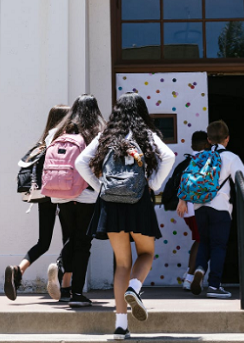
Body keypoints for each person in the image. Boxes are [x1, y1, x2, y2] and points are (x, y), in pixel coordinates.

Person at [76, 93, 175, 340]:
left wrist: (100, 186)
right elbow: (169, 157)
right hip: (138, 201)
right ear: (141, 111)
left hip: (111, 203)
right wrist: (152, 183)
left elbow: (81, 162)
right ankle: (135, 288)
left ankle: (121, 326)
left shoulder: (105, 136)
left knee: (122, 263)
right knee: (146, 253)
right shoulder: (146, 135)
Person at [4, 104, 70, 302]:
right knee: (70, 238)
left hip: (44, 193)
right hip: (65, 193)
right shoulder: (66, 138)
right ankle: (61, 277)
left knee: (44, 241)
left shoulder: (44, 140)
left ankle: (19, 269)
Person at [45, 95, 106, 308]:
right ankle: (77, 293)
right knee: (83, 243)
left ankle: (61, 273)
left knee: (70, 237)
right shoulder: (96, 133)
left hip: (61, 193)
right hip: (87, 194)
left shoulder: (58, 132)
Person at [190, 120, 244, 299]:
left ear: (208, 140)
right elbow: (243, 180)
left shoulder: (200, 157)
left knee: (204, 241)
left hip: (200, 206)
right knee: (218, 246)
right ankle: (214, 285)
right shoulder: (231, 157)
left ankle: (200, 268)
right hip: (221, 207)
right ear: (227, 139)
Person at [175, 131, 210, 291]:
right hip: (199, 209)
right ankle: (190, 277)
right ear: (206, 145)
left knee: (200, 240)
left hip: (188, 211)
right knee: (201, 242)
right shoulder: (204, 160)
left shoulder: (189, 161)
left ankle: (190, 276)